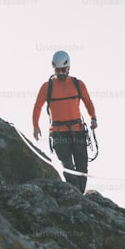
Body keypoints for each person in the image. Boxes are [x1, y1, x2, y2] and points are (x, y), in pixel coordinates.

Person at [32, 51, 98, 192]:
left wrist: (93, 118)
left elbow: (88, 102)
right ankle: (76, 194)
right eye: (58, 70)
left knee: (82, 167)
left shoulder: (78, 84)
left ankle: (79, 194)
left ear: (68, 67)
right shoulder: (47, 87)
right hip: (59, 134)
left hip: (78, 131)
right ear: (53, 68)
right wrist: (35, 127)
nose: (61, 73)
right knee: (68, 167)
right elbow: (37, 107)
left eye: (63, 69)